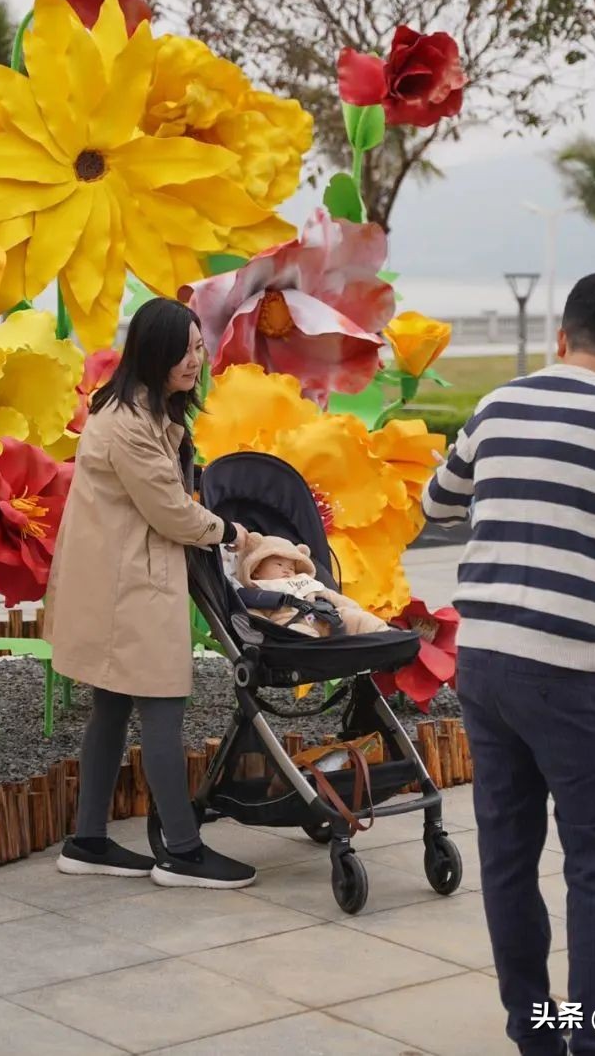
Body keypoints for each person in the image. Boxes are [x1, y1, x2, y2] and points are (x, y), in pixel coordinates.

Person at [423, 271, 595, 1056]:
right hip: (573, 669)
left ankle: (534, 1032)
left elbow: (438, 502)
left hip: (484, 661)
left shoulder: (497, 405)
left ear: (562, 338)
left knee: (507, 858)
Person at [43, 297, 256, 890]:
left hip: (118, 579)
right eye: (183, 351)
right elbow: (172, 513)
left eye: (199, 348)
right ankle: (182, 852)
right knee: (162, 707)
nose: (195, 361)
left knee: (112, 708)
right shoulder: (129, 427)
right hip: (128, 587)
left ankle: (88, 842)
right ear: (153, 353)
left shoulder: (139, 410)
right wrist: (232, 533)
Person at [235, 533, 392, 637]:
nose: (287, 570)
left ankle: (385, 635)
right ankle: (317, 651)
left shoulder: (302, 581)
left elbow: (330, 595)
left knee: (356, 618)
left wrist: (353, 608)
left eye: (291, 567)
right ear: (256, 570)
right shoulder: (257, 592)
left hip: (327, 616)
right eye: (279, 564)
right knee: (299, 634)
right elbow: (254, 617)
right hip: (291, 625)